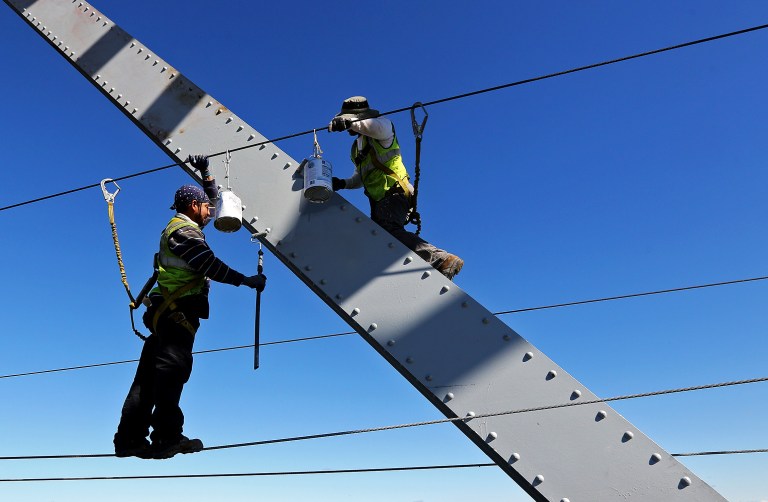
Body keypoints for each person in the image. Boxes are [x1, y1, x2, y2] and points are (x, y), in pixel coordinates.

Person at [113, 155, 266, 460]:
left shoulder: (181, 224)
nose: (211, 211)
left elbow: (207, 200)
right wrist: (246, 281)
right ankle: (167, 438)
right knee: (172, 371)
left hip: (165, 315)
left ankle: (130, 439)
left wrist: (206, 174)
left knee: (146, 379)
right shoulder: (185, 233)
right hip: (176, 316)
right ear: (193, 208)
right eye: (206, 207)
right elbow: (208, 263)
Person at [328, 96, 463, 279]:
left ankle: (440, 259)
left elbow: (372, 126)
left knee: (386, 230)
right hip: (378, 200)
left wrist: (349, 121)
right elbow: (359, 178)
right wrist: (342, 183)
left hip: (394, 191)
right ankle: (420, 269)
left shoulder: (383, 128)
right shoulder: (356, 149)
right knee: (380, 238)